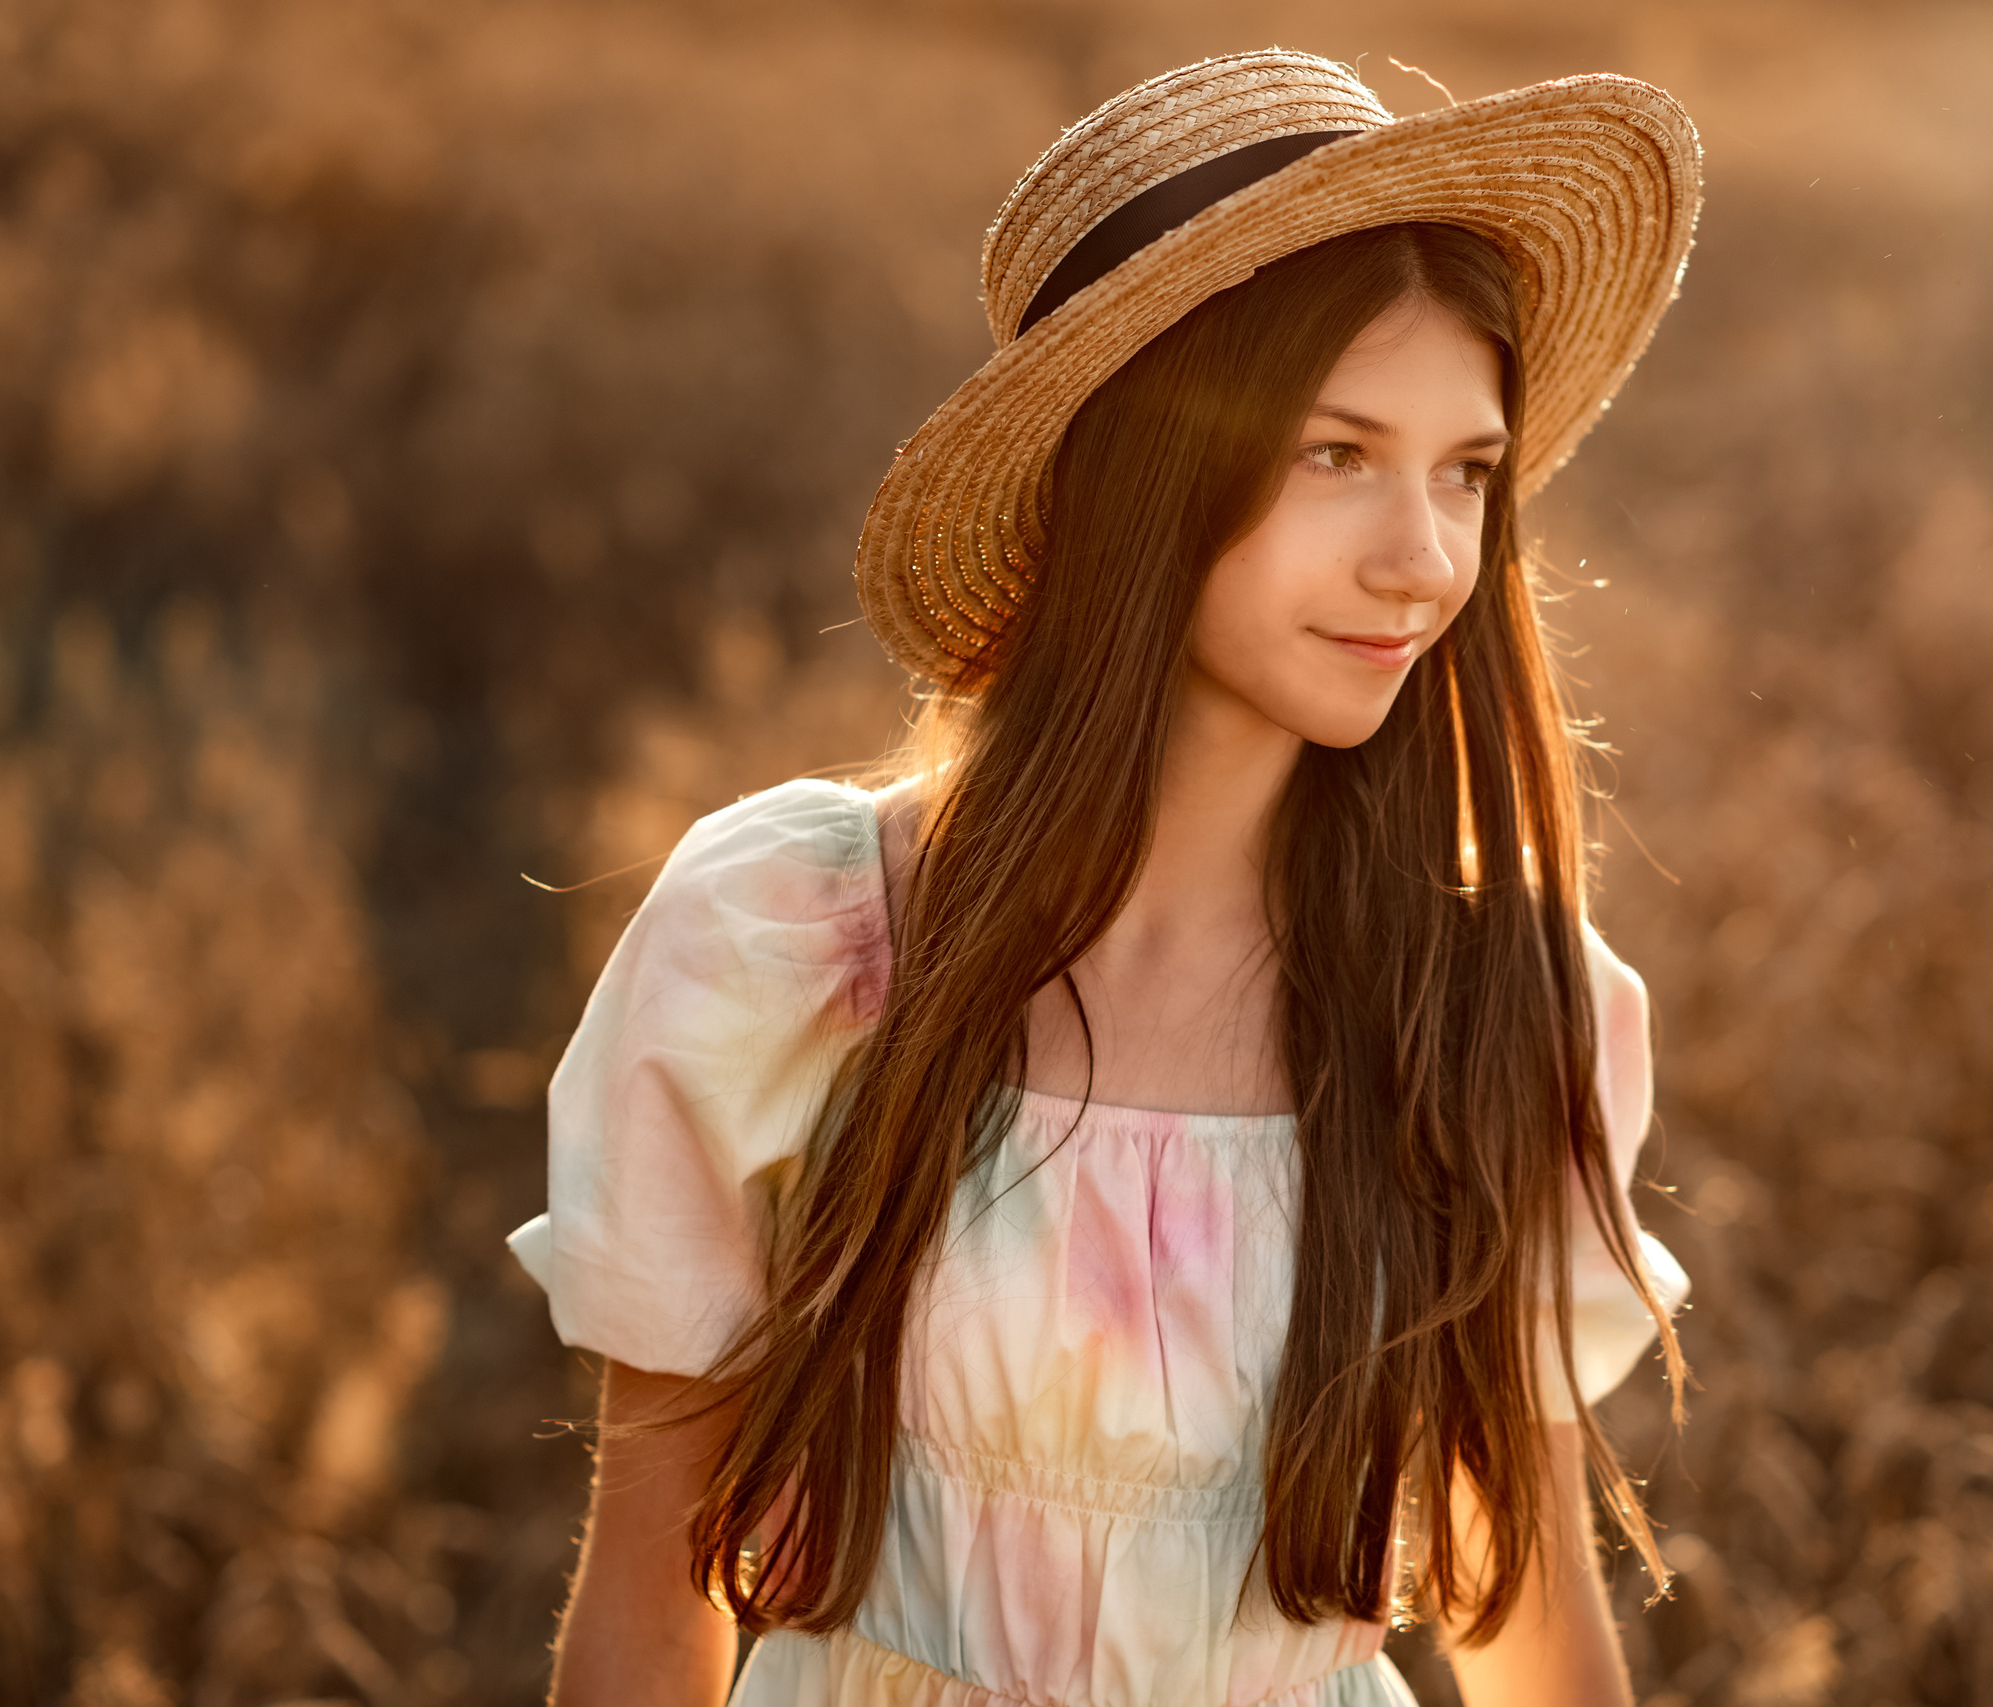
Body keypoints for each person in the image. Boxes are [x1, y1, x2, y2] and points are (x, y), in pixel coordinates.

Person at [510, 48, 1703, 1707]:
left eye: (1466, 470)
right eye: (1332, 453)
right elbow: (654, 1592)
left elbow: (1527, 1614)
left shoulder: (1506, 999)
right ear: (1146, 464)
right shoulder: (794, 940)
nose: (1424, 558)